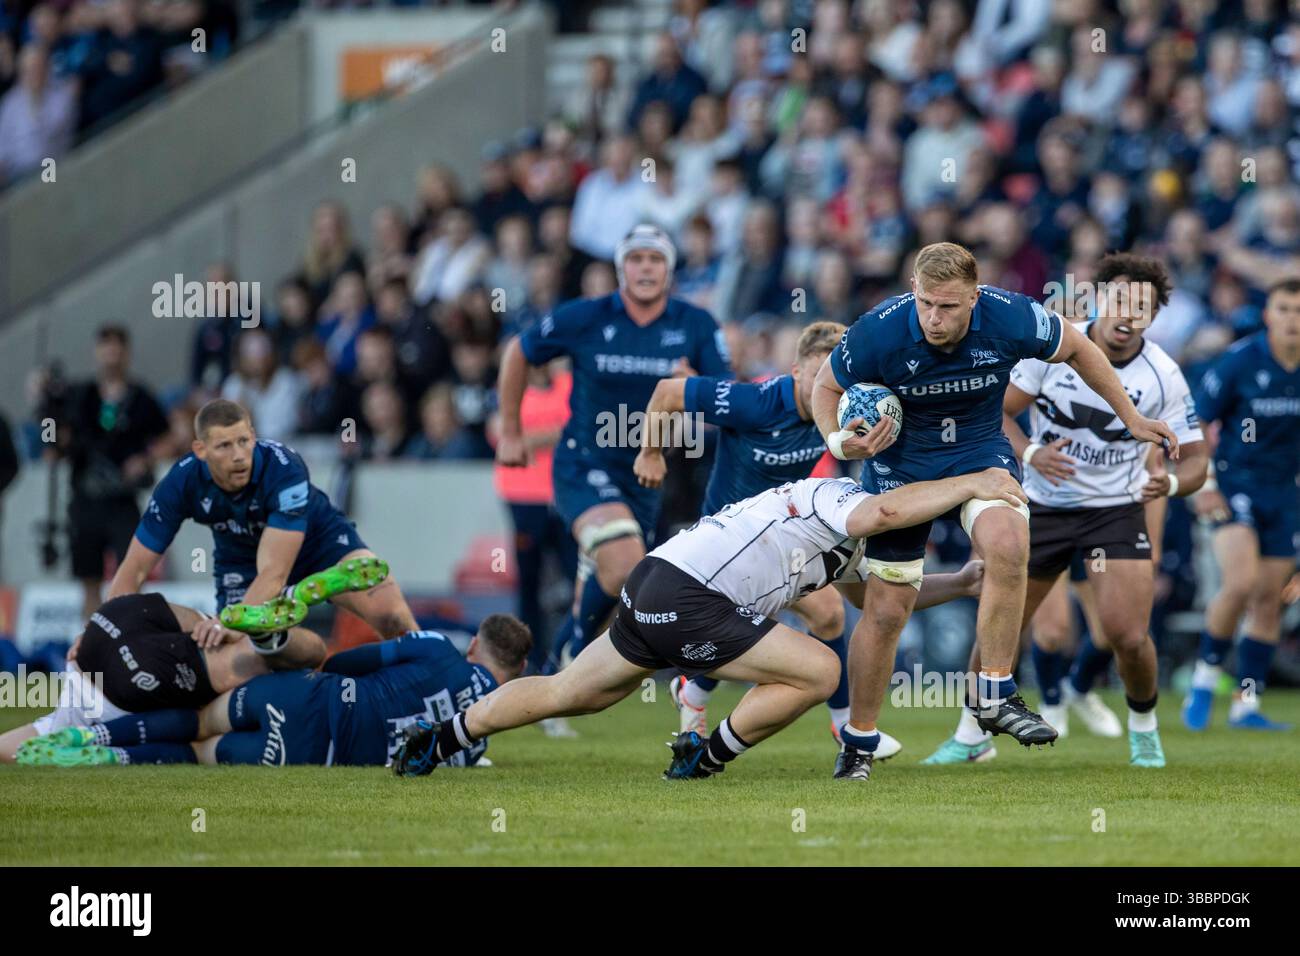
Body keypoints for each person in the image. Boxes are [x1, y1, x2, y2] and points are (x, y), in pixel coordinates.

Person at [812, 241, 1181, 780]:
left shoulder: (1010, 315)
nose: (935, 319)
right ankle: (859, 742)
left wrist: (1127, 416)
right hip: (902, 466)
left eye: (950, 306)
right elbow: (825, 385)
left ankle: (994, 691)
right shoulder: (878, 330)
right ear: (914, 290)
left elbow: (1077, 347)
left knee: (1008, 546)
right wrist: (841, 445)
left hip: (981, 452)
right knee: (888, 609)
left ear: (975, 296)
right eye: (927, 304)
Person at [389, 469, 1026, 781]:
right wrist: (974, 481)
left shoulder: (851, 531)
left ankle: (437, 740)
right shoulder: (840, 495)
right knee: (822, 668)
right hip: (688, 596)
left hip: (658, 581)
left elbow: (876, 594)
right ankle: (705, 755)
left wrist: (962, 584)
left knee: (571, 693)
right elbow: (886, 509)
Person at [922, 254, 1208, 768]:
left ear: (1156, 314)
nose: (1127, 314)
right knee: (999, 625)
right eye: (1119, 299)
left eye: (1142, 307)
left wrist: (1169, 482)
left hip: (1114, 511)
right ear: (1098, 297)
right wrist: (1031, 453)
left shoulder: (1165, 376)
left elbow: (1198, 459)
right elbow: (996, 415)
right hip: (1039, 505)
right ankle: (971, 735)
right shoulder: (1053, 348)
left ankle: (1144, 726)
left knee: (1126, 633)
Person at [495, 224, 730, 725]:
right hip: (584, 463)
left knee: (622, 589)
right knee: (625, 563)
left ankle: (561, 664)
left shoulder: (696, 323)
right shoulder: (587, 316)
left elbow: (725, 399)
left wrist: (700, 391)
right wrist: (511, 430)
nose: (646, 267)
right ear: (622, 268)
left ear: (670, 269)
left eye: (656, 259)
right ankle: (567, 661)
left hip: (648, 476)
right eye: (637, 258)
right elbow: (520, 350)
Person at [635, 319, 902, 748]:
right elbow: (668, 393)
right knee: (780, 617)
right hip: (722, 546)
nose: (826, 390)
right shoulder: (756, 402)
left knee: (825, 614)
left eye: (835, 380)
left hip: (779, 540)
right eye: (817, 377)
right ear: (796, 372)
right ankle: (841, 725)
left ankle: (841, 725)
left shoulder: (841, 416)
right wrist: (651, 452)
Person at [21, 615, 532, 769]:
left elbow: (359, 659)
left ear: (475, 648)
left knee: (200, 720)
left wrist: (327, 673)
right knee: (199, 753)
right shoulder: (480, 736)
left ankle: (93, 737)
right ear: (519, 669)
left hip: (310, 695)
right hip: (318, 752)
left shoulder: (441, 648)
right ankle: (114, 761)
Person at [106, 398, 417, 638]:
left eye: (244, 441)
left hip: (318, 542)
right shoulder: (180, 483)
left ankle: (447, 695)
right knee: (241, 655)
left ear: (254, 436)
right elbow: (132, 571)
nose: (239, 455)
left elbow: (273, 573)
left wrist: (233, 621)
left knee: (393, 617)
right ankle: (286, 613)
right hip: (241, 559)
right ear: (200, 450)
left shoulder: (284, 467)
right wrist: (98, 632)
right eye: (225, 446)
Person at [1, 590, 324, 763]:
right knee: (215, 643)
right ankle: (241, 629)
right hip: (120, 619)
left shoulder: (61, 724)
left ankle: (253, 635)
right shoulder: (60, 724)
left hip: (112, 644)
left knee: (238, 668)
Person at [1184, 278, 1300, 732]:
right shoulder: (1239, 362)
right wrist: (1205, 483)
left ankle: (1245, 704)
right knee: (1240, 582)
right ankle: (1204, 680)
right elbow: (1196, 422)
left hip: (1285, 493)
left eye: (1299, 310)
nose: (1293, 319)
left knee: (1270, 600)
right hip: (1235, 484)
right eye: (1284, 309)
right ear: (1268, 315)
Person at [54, 325, 170, 622]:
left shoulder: (141, 397)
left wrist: (145, 459)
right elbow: (52, 439)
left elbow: (170, 436)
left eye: (117, 350)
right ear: (97, 352)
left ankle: (128, 639)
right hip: (85, 498)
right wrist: (48, 412)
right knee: (89, 580)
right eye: (106, 349)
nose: (111, 357)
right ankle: (89, 648)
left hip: (122, 498)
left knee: (131, 573)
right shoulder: (80, 395)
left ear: (127, 354)